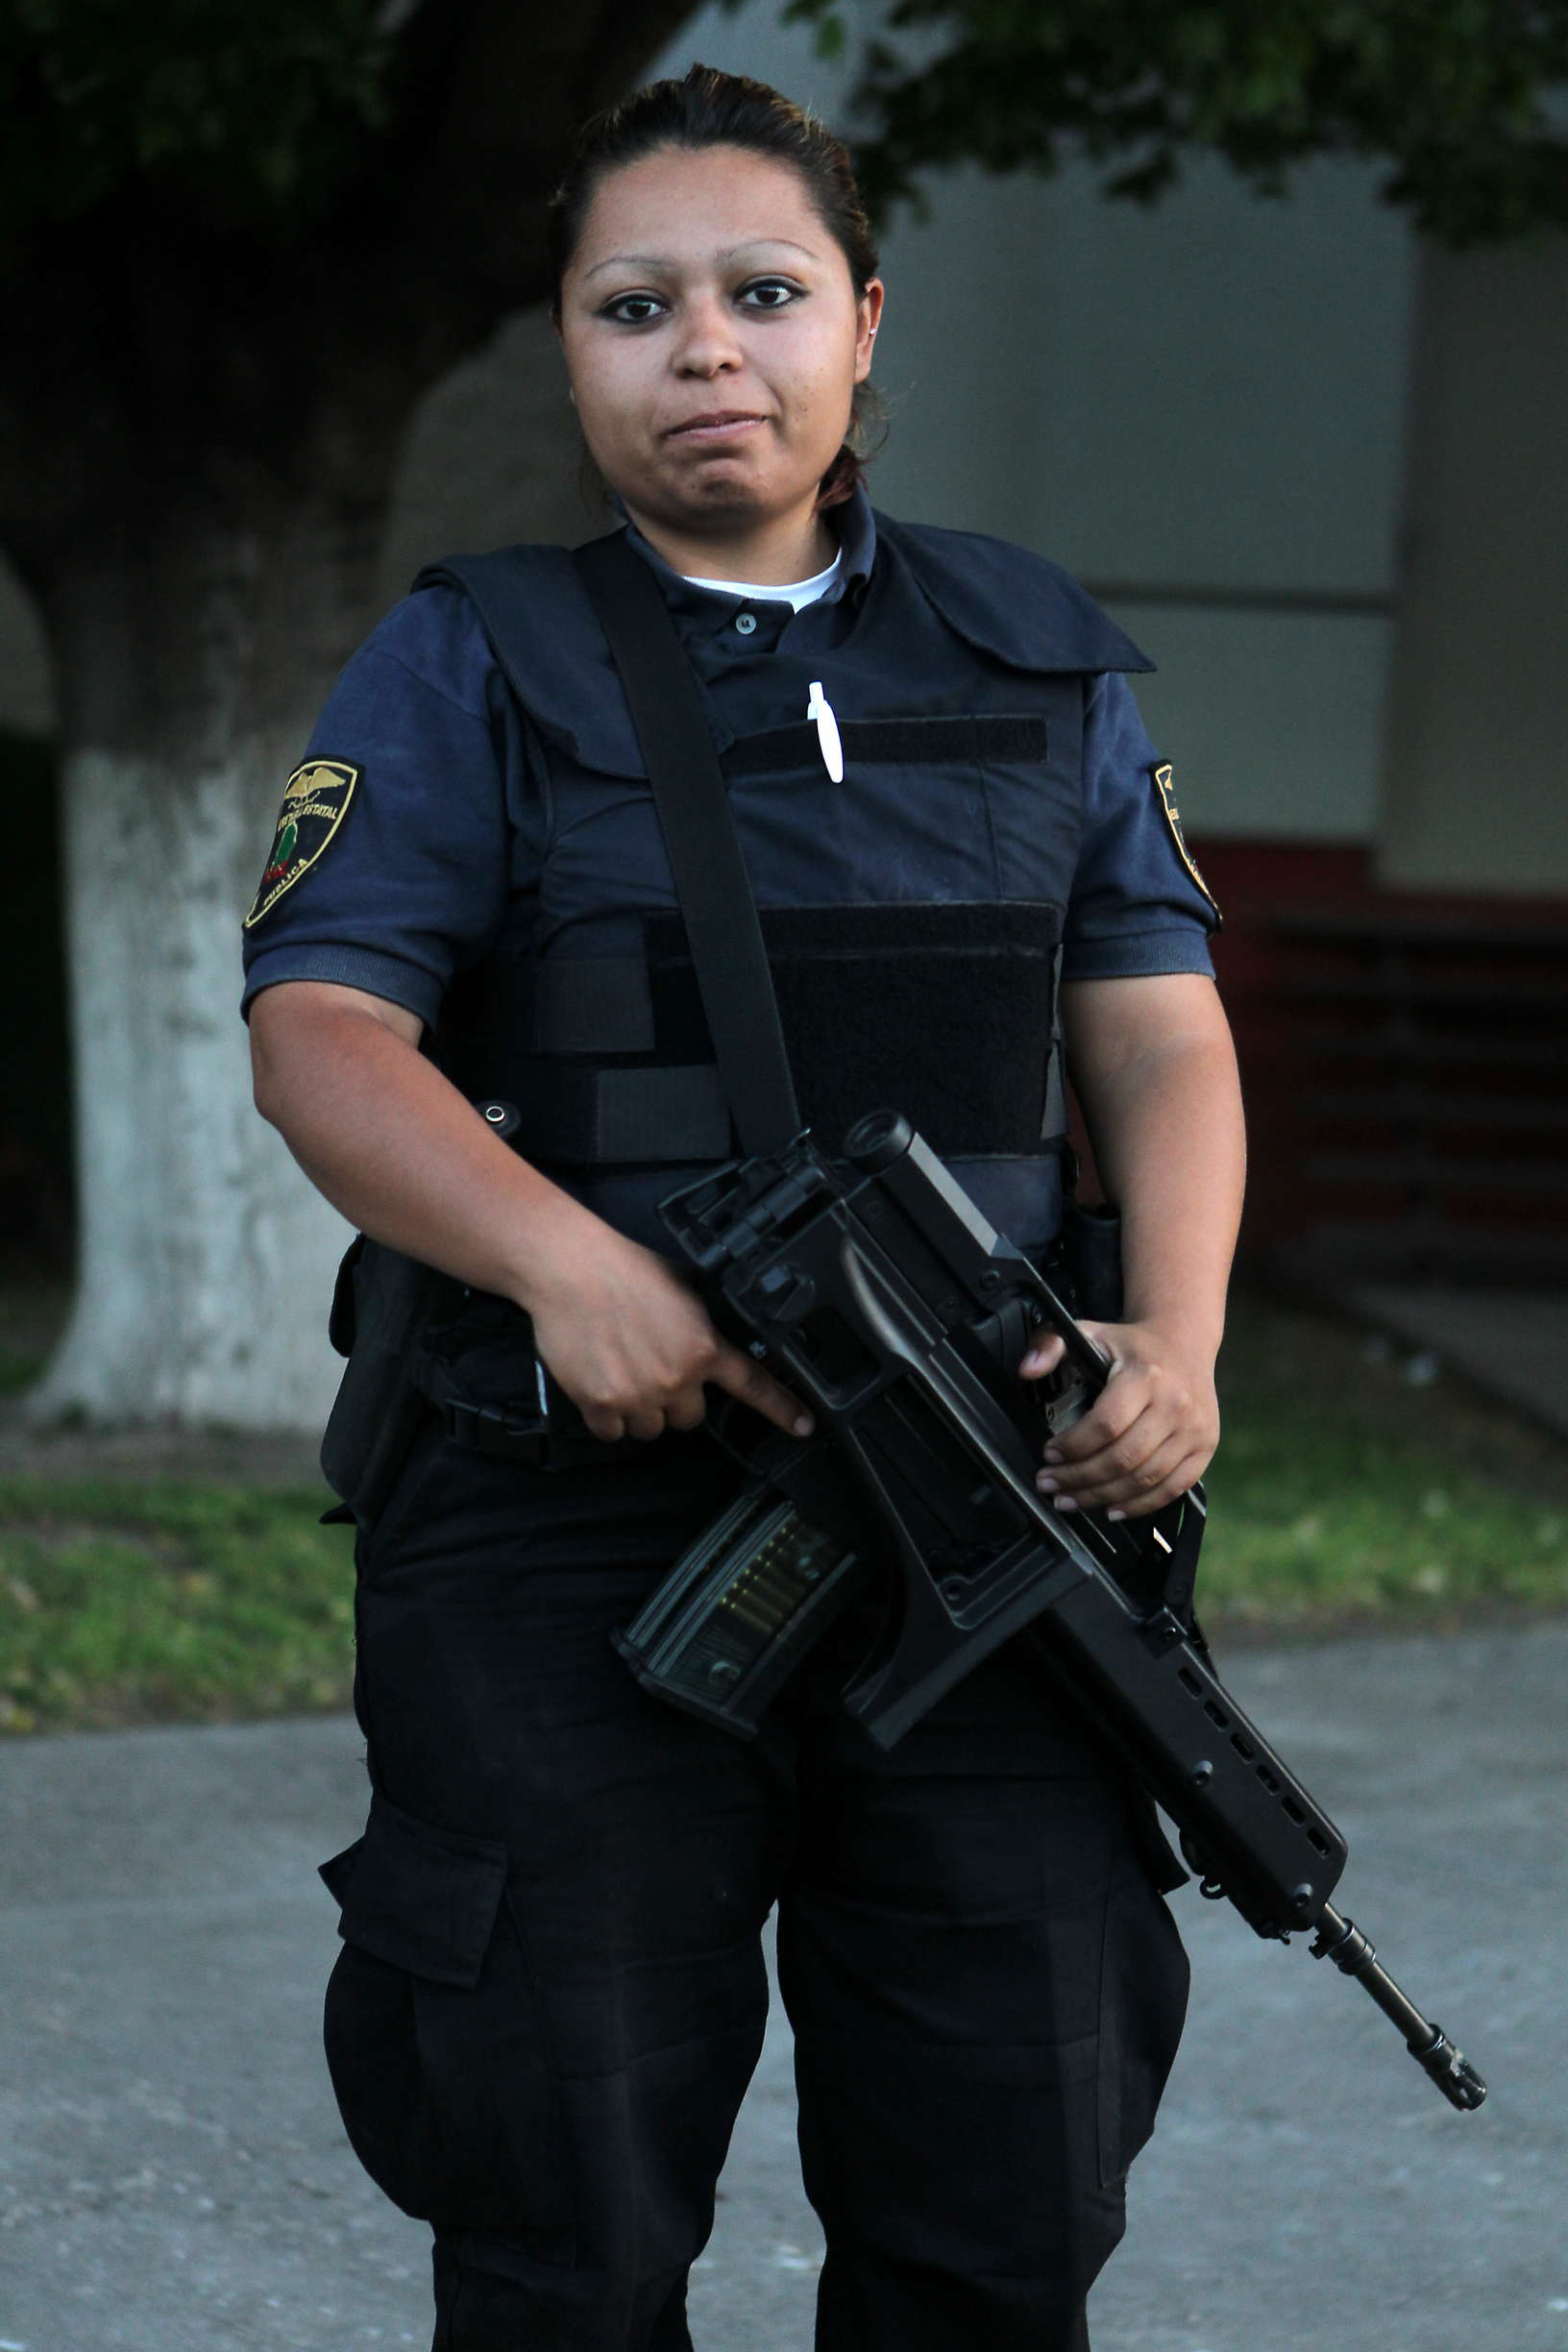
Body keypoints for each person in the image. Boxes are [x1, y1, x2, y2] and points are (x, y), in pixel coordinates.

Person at [242, 61, 1244, 2352]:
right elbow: (325, 1032)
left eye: (764, 292)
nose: (705, 346)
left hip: (990, 1503)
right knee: (563, 2199)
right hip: (571, 1523)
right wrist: (566, 1267)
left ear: (866, 323)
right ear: (570, 349)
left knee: (1008, 2184)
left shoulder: (1036, 653)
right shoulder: (469, 656)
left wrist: (1176, 1338)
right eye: (636, 305)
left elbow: (1159, 1031)